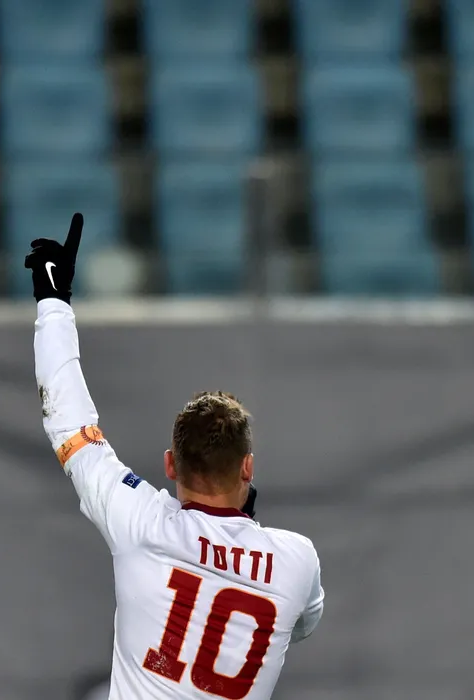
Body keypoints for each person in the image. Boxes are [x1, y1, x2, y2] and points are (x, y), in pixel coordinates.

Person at [26, 214, 324, 700]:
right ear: (247, 467)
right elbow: (300, 625)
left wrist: (53, 301)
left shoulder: (140, 521)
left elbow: (67, 423)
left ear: (170, 465)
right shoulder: (297, 559)